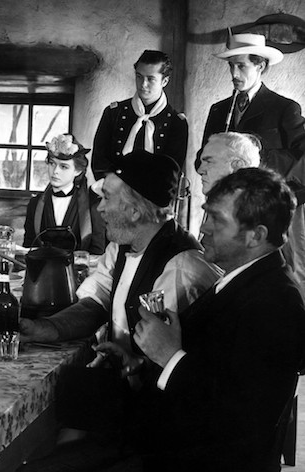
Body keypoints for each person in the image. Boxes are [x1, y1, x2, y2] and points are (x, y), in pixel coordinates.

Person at [19, 150, 221, 470]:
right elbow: (97, 300)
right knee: (68, 395)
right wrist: (48, 328)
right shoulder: (122, 246)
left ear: (135, 211)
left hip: (159, 422)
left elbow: (173, 366)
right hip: (124, 390)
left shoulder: (182, 267)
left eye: (107, 198)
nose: (99, 208)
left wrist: (132, 365)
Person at [134, 167, 305, 471]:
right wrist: (145, 361)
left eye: (217, 219)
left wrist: (169, 357)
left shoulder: (275, 302)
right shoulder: (243, 279)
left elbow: (241, 421)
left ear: (256, 236)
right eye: (206, 214)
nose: (204, 227)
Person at [197, 32, 305, 295]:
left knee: (286, 276)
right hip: (229, 209)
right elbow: (204, 155)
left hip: (269, 209)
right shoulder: (219, 110)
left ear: (261, 66)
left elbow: (301, 156)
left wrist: (255, 158)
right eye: (231, 66)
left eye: (242, 66)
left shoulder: (284, 108)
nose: (234, 73)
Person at [91, 50, 188, 180]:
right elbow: (99, 163)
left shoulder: (176, 123)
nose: (143, 84)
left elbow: (172, 173)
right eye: (139, 76)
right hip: (113, 189)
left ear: (164, 81)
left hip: (154, 192)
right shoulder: (114, 113)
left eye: (150, 79)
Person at [22, 133, 106, 254]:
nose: (55, 171)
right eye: (52, 163)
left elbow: (97, 252)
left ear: (77, 171)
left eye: (64, 167)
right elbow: (28, 247)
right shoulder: (35, 204)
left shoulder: (92, 205)